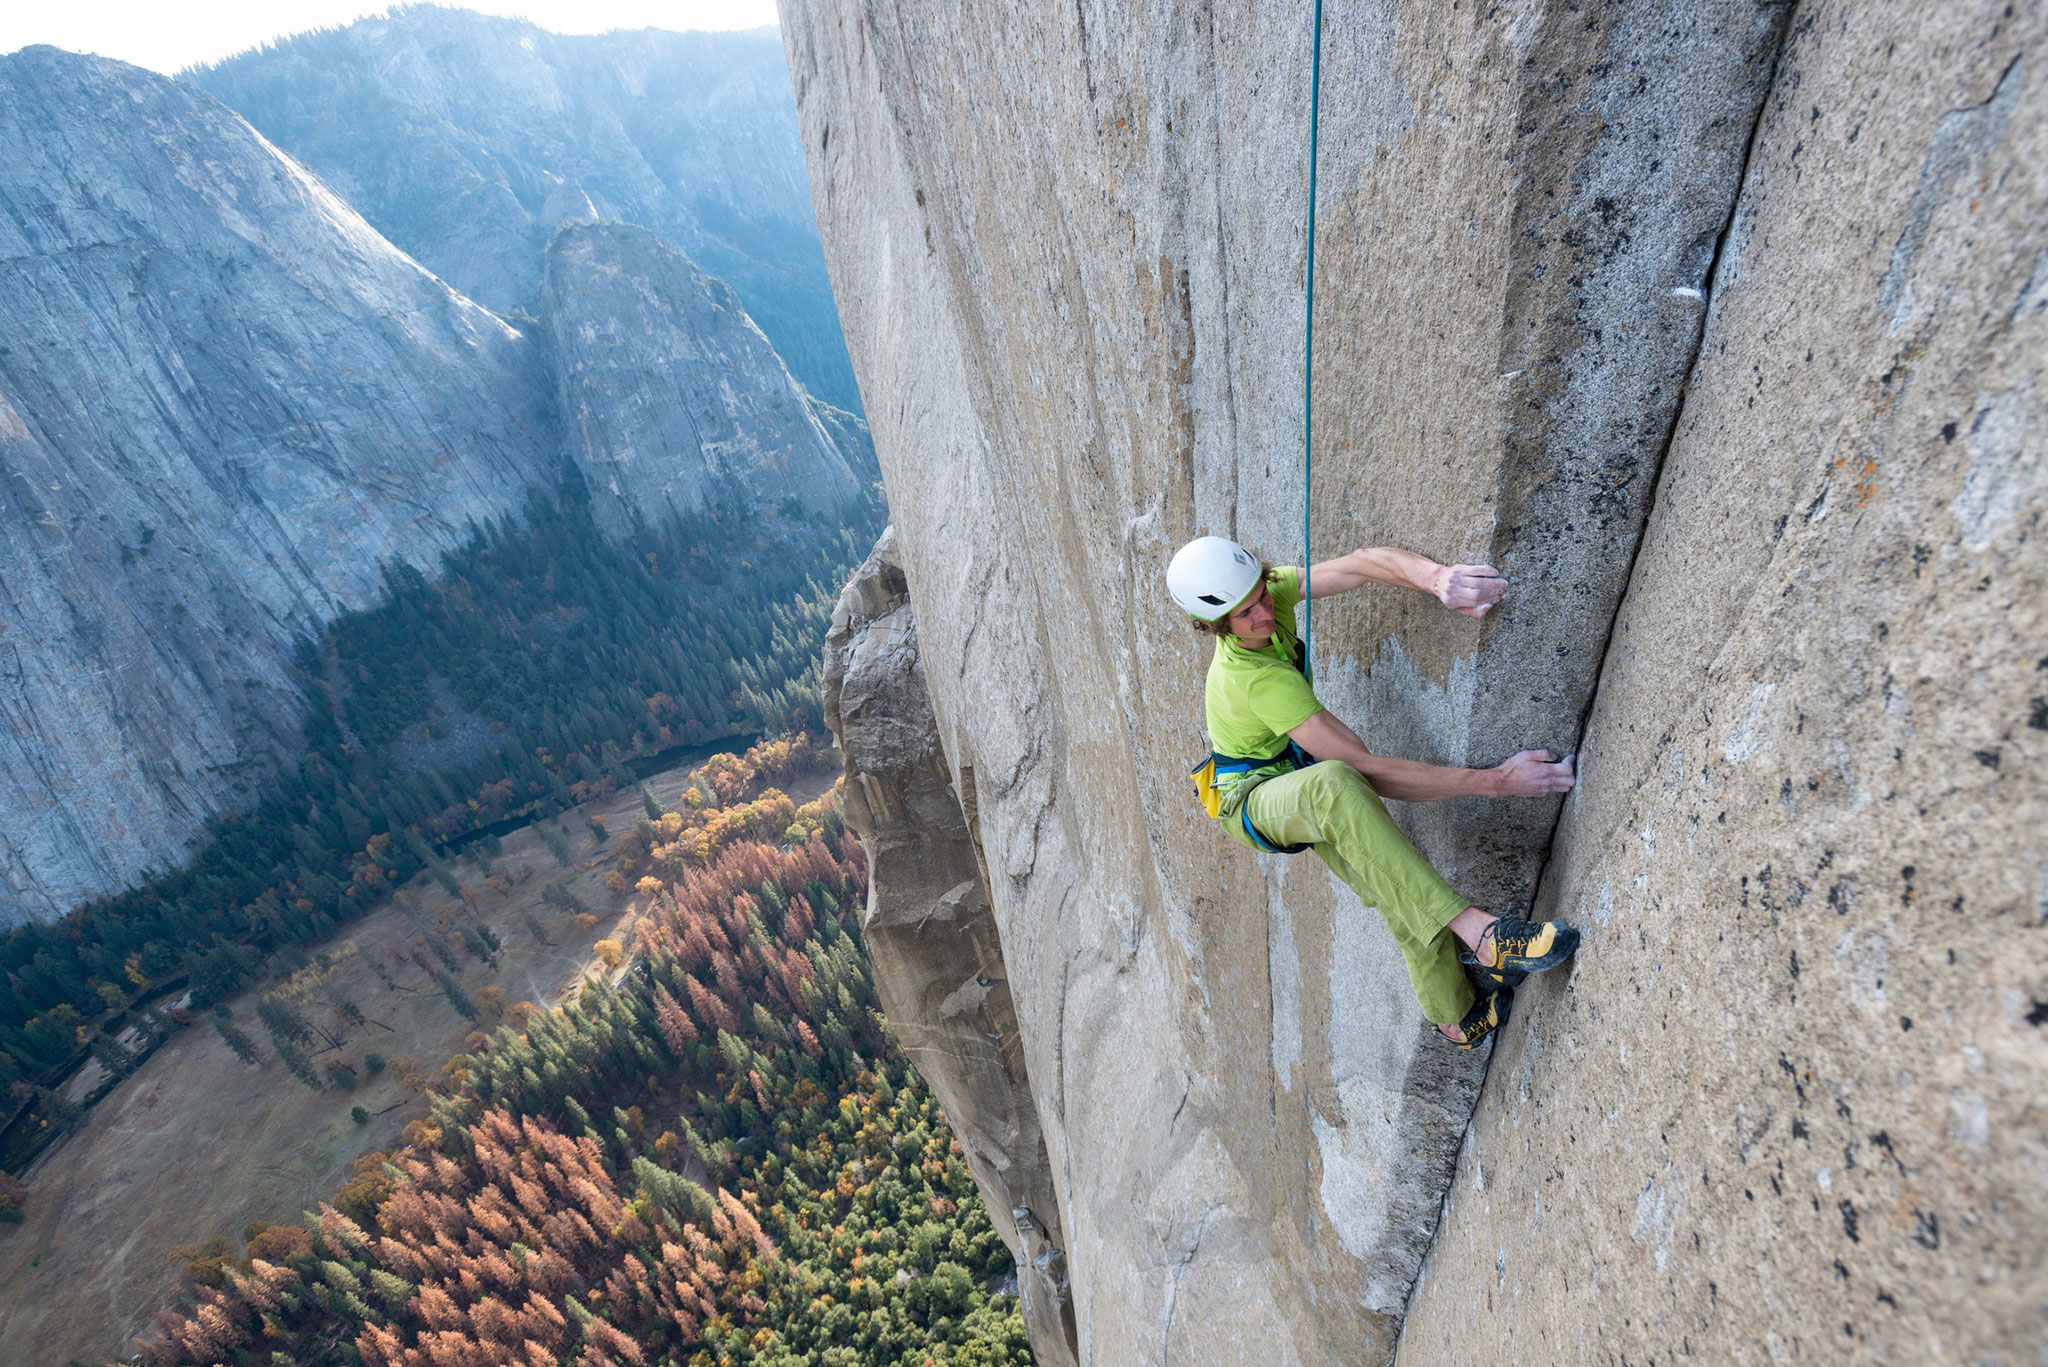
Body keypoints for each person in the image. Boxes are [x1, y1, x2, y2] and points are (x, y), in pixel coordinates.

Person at [1167, 535, 1580, 1048]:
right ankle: (1484, 934)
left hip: (1304, 780)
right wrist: (1498, 781)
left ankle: (1453, 1016)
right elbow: (1364, 769)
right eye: (1246, 612)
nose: (1264, 612)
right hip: (1253, 800)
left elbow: (1362, 564)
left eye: (1262, 594)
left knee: (1392, 883)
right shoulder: (1252, 680)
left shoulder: (1268, 595)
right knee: (1334, 783)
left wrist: (1438, 580)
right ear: (1216, 625)